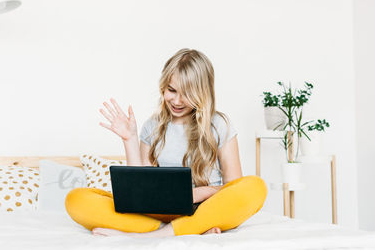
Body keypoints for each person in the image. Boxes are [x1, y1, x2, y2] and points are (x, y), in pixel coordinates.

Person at [65, 48, 267, 238]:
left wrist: (195, 194)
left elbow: (233, 187)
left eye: (187, 94)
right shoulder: (152, 126)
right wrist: (130, 140)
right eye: (172, 90)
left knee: (255, 187)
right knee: (76, 199)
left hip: (204, 209)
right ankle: (180, 230)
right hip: (157, 214)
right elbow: (139, 192)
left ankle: (156, 235)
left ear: (202, 94)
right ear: (163, 86)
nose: (177, 101)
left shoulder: (219, 125)